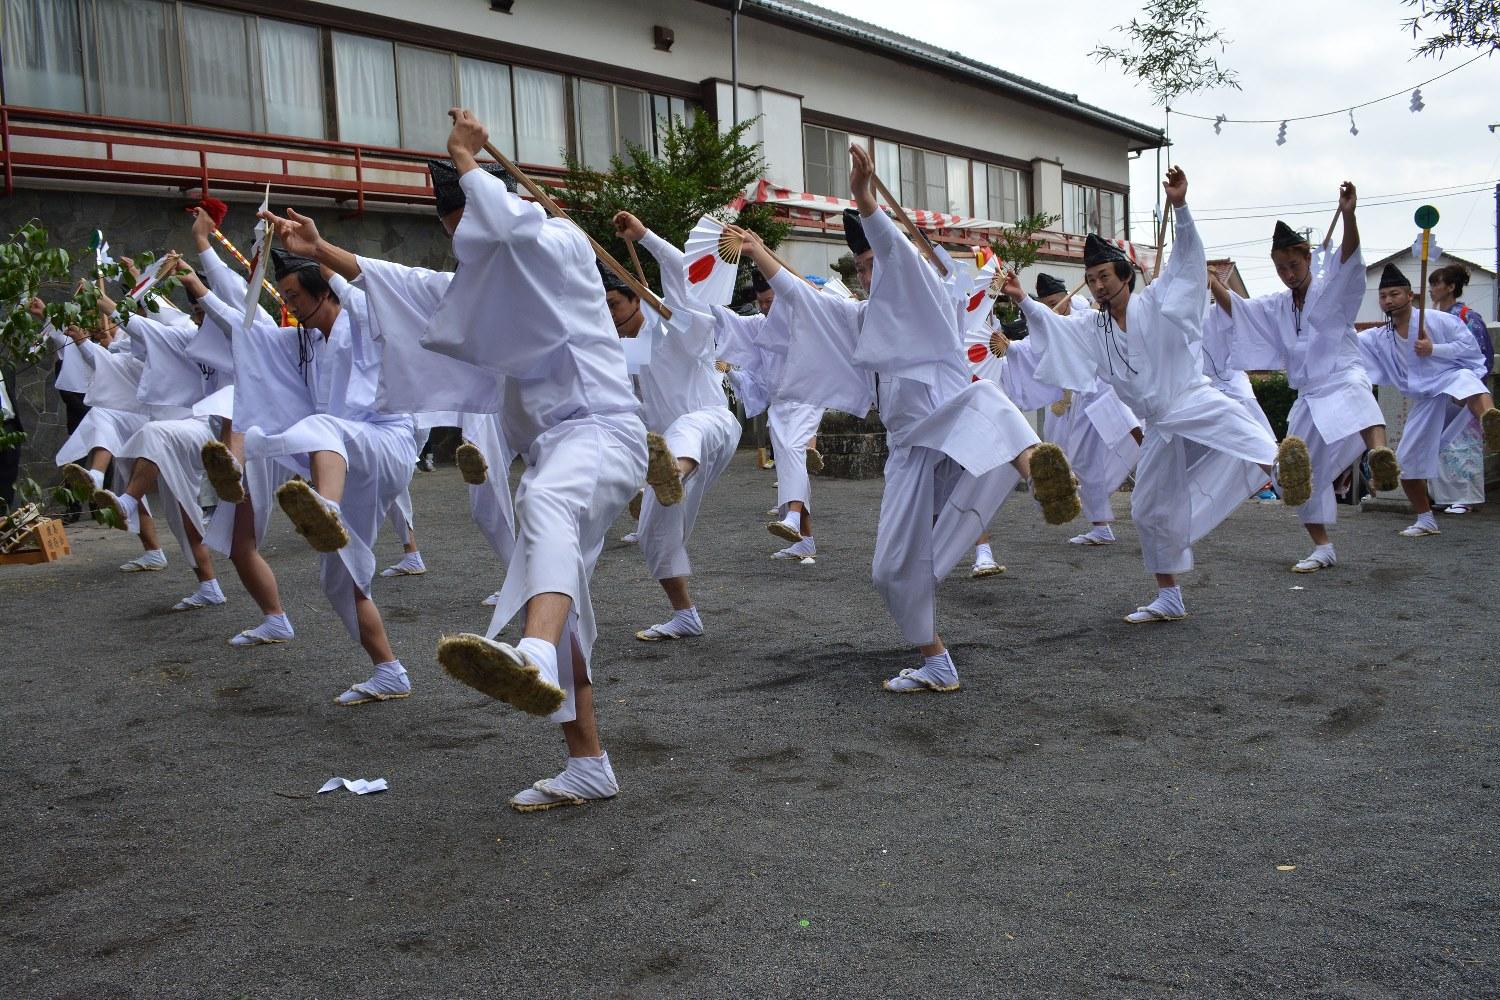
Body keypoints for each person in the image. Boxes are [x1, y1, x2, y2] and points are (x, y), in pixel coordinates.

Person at [285, 109, 645, 813]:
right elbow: (411, 289)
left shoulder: (561, 243)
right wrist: (322, 250)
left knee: (541, 509)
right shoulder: (490, 280)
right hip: (560, 449)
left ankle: (532, 657)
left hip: (602, 431)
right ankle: (588, 761)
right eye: (453, 234)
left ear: (493, 208)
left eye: (464, 228)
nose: (461, 244)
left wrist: (465, 157)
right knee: (562, 592)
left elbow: (510, 230)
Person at [730, 142, 1078, 694]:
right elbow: (802, 298)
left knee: (984, 400)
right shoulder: (862, 318)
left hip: (949, 418)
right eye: (861, 267)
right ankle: (935, 660)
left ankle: (1040, 472)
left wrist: (868, 203)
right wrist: (756, 251)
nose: (868, 274)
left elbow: (895, 254)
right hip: (910, 447)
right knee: (889, 571)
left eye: (873, 263)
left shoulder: (925, 293)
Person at [1010, 165, 1294, 624]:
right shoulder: (1092, 325)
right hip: (1158, 421)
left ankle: (1284, 467)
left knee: (1242, 430)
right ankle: (1170, 595)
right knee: (1146, 508)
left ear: (1124, 274)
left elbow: (1187, 262)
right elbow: (1053, 331)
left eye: (1105, 274)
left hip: (1189, 397)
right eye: (1093, 278)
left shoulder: (1158, 301)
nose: (1099, 284)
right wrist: (1023, 300)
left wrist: (1180, 207)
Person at [207, 239, 417, 705]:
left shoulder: (360, 321)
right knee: (338, 579)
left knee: (321, 427)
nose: (288, 304)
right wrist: (200, 271)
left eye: (295, 295)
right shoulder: (301, 341)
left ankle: (326, 507)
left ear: (324, 291)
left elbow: (363, 294)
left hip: (385, 442)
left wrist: (319, 250)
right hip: (346, 456)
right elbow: (244, 323)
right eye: (283, 296)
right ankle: (389, 671)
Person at [1208, 184, 1399, 573]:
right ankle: (1322, 547)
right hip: (1310, 395)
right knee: (1297, 473)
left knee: (1359, 396)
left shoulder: (1329, 287)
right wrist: (1212, 281)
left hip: (1342, 374)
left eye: (1293, 266)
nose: (1287, 274)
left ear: (1307, 258)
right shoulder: (1277, 304)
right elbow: (1241, 311)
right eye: (1280, 268)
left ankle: (1380, 454)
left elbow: (1349, 261)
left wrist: (1348, 214)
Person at [605, 211, 743, 641]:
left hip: (711, 426)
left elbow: (679, 277)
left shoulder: (681, 328)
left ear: (636, 299)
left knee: (684, 430)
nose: (609, 316)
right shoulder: (626, 353)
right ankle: (685, 615)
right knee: (651, 534)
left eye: (615, 305)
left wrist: (644, 234)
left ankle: (669, 475)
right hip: (671, 451)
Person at [1357, 264, 1497, 536]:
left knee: (1466, 379)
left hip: (1449, 379)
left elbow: (1469, 348)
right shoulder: (1380, 336)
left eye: (1394, 294)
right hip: (1425, 399)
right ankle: (1426, 519)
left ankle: (1491, 420)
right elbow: (1348, 344)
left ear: (1410, 296)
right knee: (1408, 463)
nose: (1388, 300)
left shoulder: (1439, 320)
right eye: (1383, 296)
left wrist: (1435, 348)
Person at [1426, 263, 1492, 515]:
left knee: (1463, 445)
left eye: (1436, 284)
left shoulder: (1467, 318)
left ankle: (1465, 497)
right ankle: (1442, 495)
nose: (1432, 289)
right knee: (1437, 442)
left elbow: (1481, 356)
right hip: (1437, 387)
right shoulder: (1432, 316)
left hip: (1463, 389)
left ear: (1451, 287)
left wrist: (1471, 387)